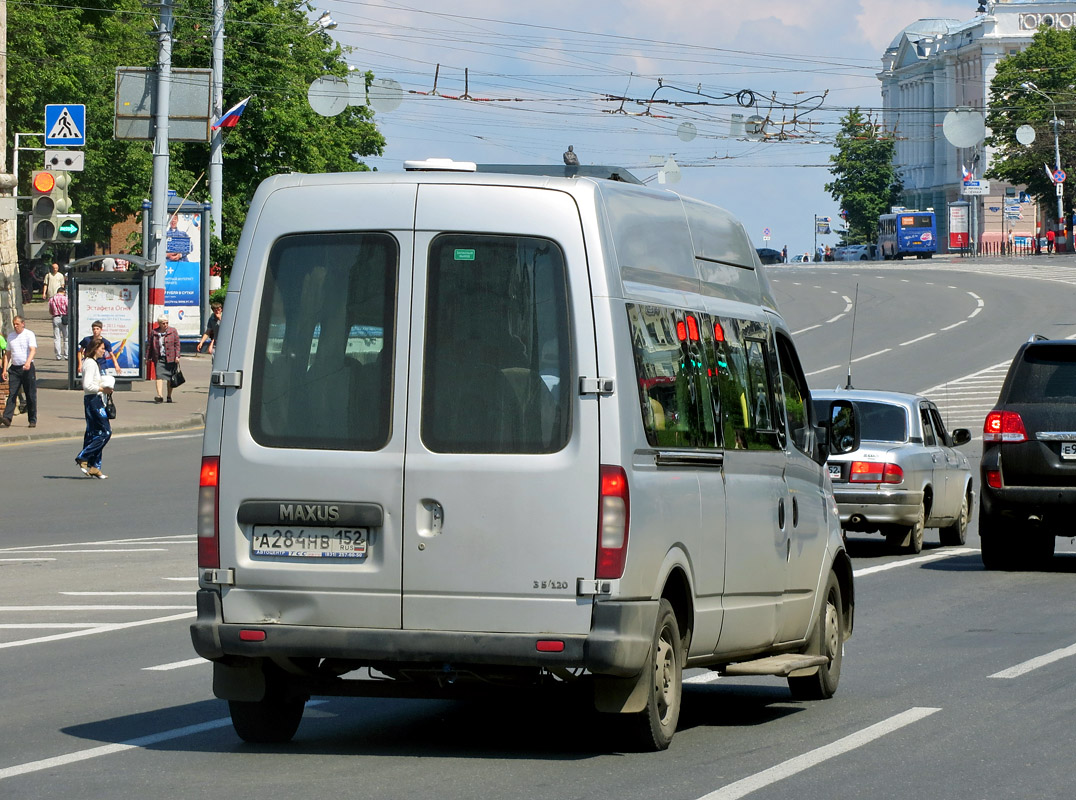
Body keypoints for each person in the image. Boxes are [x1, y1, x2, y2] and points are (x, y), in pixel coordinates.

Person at [76, 339, 114, 479]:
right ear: (95, 348)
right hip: (93, 400)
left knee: (95, 432)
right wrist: (103, 388)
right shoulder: (90, 363)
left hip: (95, 399)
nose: (104, 351)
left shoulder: (92, 363)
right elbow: (87, 386)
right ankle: (84, 456)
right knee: (106, 432)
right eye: (102, 348)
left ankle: (95, 466)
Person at [1, 316, 38, 428]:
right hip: (15, 368)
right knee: (12, 393)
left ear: (23, 324)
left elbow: (33, 350)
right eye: (14, 324)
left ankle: (32, 419)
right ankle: (7, 418)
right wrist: (4, 369)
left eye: (17, 324)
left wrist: (27, 362)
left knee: (30, 394)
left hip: (27, 368)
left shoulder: (29, 334)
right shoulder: (11, 336)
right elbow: (7, 354)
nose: (15, 326)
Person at [147, 314, 181, 403]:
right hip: (158, 358)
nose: (165, 325)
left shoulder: (173, 331)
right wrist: (148, 357)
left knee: (170, 378)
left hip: (171, 358)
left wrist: (177, 356)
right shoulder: (154, 332)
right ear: (159, 324)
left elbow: (177, 344)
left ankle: (169, 396)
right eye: (163, 323)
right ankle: (160, 395)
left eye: (166, 323)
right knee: (159, 376)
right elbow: (150, 346)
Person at [48, 285, 70, 360]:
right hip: (64, 318)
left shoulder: (52, 299)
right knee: (66, 337)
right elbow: (68, 307)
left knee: (57, 338)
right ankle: (66, 355)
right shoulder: (65, 298)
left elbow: (50, 310)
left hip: (55, 317)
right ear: (63, 291)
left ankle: (58, 355)